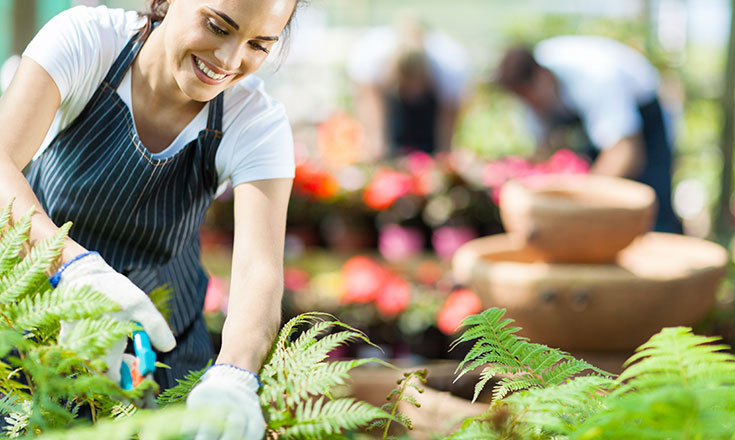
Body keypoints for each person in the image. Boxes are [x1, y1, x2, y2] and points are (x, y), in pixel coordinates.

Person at [0, 0, 301, 437]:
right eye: (218, 27)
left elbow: (260, 271)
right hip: (32, 331)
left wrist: (236, 374)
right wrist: (69, 267)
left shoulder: (256, 121)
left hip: (163, 354)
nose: (229, 61)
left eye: (258, 45)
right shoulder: (88, 42)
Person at [496, 35, 682, 233]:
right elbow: (543, 151)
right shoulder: (530, 86)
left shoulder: (595, 78)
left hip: (644, 115)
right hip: (598, 125)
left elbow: (625, 152)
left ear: (544, 76)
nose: (531, 106)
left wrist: (581, 199)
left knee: (652, 206)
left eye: (532, 98)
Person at [347, 15, 469, 159]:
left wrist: (443, 156)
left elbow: (449, 117)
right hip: (391, 105)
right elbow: (368, 101)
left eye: (416, 85)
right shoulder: (371, 57)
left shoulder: (450, 65)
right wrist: (376, 145)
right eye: (406, 86)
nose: (412, 93)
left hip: (431, 111)